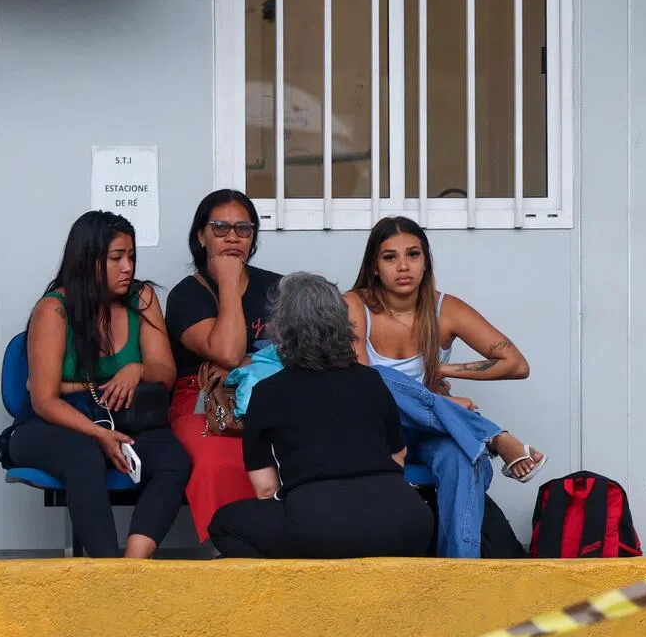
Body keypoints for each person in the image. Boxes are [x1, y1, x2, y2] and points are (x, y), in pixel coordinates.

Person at [343, 215, 547, 558]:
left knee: (460, 456)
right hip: (374, 432)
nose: (403, 266)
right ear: (375, 266)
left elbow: (516, 364)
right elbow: (363, 388)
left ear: (426, 262)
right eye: (390, 257)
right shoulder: (354, 305)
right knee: (375, 379)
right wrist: (448, 407)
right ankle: (493, 436)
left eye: (413, 254)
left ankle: (459, 572)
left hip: (427, 431)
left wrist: (441, 367)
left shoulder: (444, 309)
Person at [208, 273, 434, 559]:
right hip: (407, 521)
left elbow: (266, 490)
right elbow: (397, 457)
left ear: (281, 329)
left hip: (318, 529)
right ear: (343, 323)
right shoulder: (371, 381)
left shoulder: (266, 393)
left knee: (224, 525)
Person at [7, 211, 191, 558]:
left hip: (123, 417)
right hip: (53, 423)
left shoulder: (143, 298)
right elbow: (44, 399)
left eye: (132, 256)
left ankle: (132, 565)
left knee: (173, 458)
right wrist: (99, 434)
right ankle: (107, 572)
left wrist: (137, 369)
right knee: (84, 457)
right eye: (116, 258)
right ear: (89, 262)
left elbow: (165, 372)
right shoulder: (54, 310)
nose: (128, 268)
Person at [164, 189, 284, 544]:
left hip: (271, 399)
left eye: (243, 229)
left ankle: (286, 556)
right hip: (204, 404)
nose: (233, 237)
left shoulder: (279, 288)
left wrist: (251, 362)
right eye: (220, 228)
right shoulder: (186, 295)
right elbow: (227, 353)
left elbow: (306, 351)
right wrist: (229, 280)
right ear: (201, 236)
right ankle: (229, 556)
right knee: (219, 462)